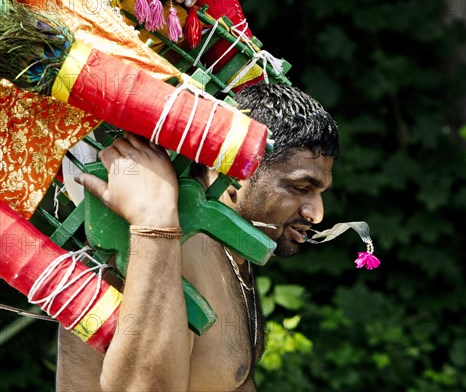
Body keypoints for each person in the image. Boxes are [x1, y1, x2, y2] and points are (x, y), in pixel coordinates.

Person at [55, 84, 339, 391]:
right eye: (300, 188)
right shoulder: (165, 241)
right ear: (236, 170)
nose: (316, 214)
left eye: (320, 192)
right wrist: (155, 224)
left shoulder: (226, 248)